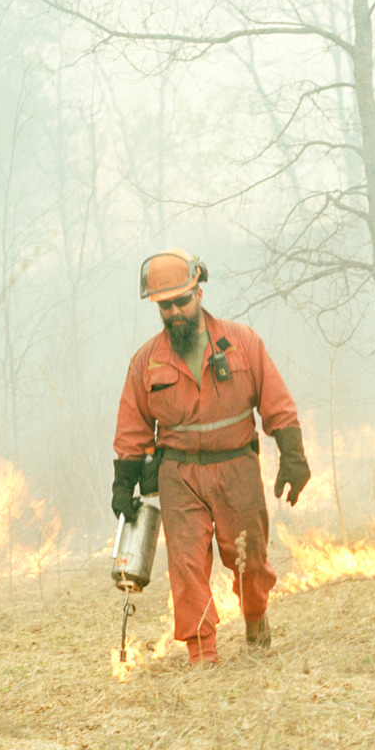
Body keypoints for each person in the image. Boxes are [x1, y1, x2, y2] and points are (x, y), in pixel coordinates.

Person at [111, 251, 311, 663]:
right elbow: (131, 428)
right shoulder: (146, 362)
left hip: (237, 467)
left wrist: (293, 456)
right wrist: (123, 483)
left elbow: (276, 403)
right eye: (164, 306)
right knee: (186, 569)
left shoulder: (242, 343)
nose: (174, 312)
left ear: (198, 292)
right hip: (179, 476)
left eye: (181, 301)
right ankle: (202, 656)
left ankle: (256, 619)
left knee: (249, 559)